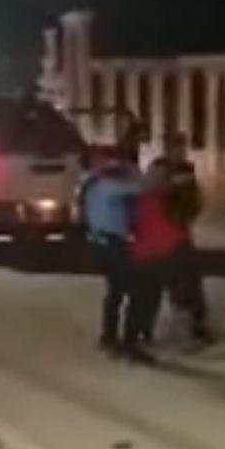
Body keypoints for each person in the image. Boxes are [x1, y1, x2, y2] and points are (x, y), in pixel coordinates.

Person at [150, 132, 214, 344]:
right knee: (167, 277)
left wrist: (192, 210)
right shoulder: (159, 168)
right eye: (176, 148)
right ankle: (150, 326)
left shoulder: (187, 169)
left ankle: (197, 322)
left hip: (181, 228)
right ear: (167, 149)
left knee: (191, 277)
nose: (180, 152)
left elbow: (194, 196)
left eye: (182, 148)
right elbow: (154, 193)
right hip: (163, 231)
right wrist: (173, 185)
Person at [78, 151, 142, 358]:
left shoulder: (91, 185)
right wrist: (133, 172)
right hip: (112, 243)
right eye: (103, 160)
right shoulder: (104, 186)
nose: (109, 164)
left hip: (102, 242)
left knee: (116, 291)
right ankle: (127, 341)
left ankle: (110, 336)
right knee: (133, 289)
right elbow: (139, 189)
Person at [126, 161, 190, 364]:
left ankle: (139, 337)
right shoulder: (149, 200)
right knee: (142, 300)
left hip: (152, 256)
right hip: (147, 256)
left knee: (148, 299)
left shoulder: (156, 200)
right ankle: (132, 342)